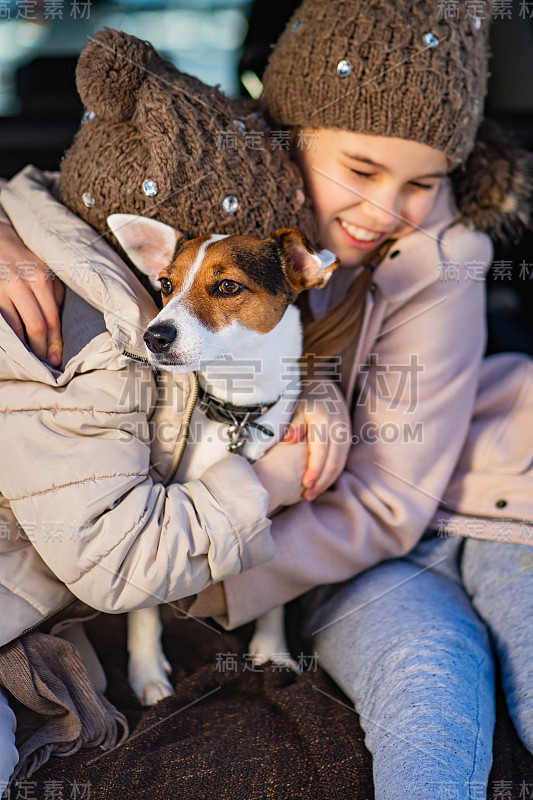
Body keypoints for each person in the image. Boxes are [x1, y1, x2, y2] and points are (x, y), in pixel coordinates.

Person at [0, 4, 532, 798]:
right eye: (358, 169)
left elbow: (388, 496)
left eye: (424, 183)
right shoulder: (201, 195)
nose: (386, 209)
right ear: (284, 141)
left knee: (442, 667)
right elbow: (70, 216)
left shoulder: (440, 258)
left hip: (411, 520)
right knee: (425, 664)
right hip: (260, 532)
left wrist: (200, 579)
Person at [0, 29, 351, 787]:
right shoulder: (67, 331)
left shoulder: (251, 334)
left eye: (220, 286)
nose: (167, 314)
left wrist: (317, 392)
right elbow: (128, 551)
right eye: (169, 283)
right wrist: (276, 482)